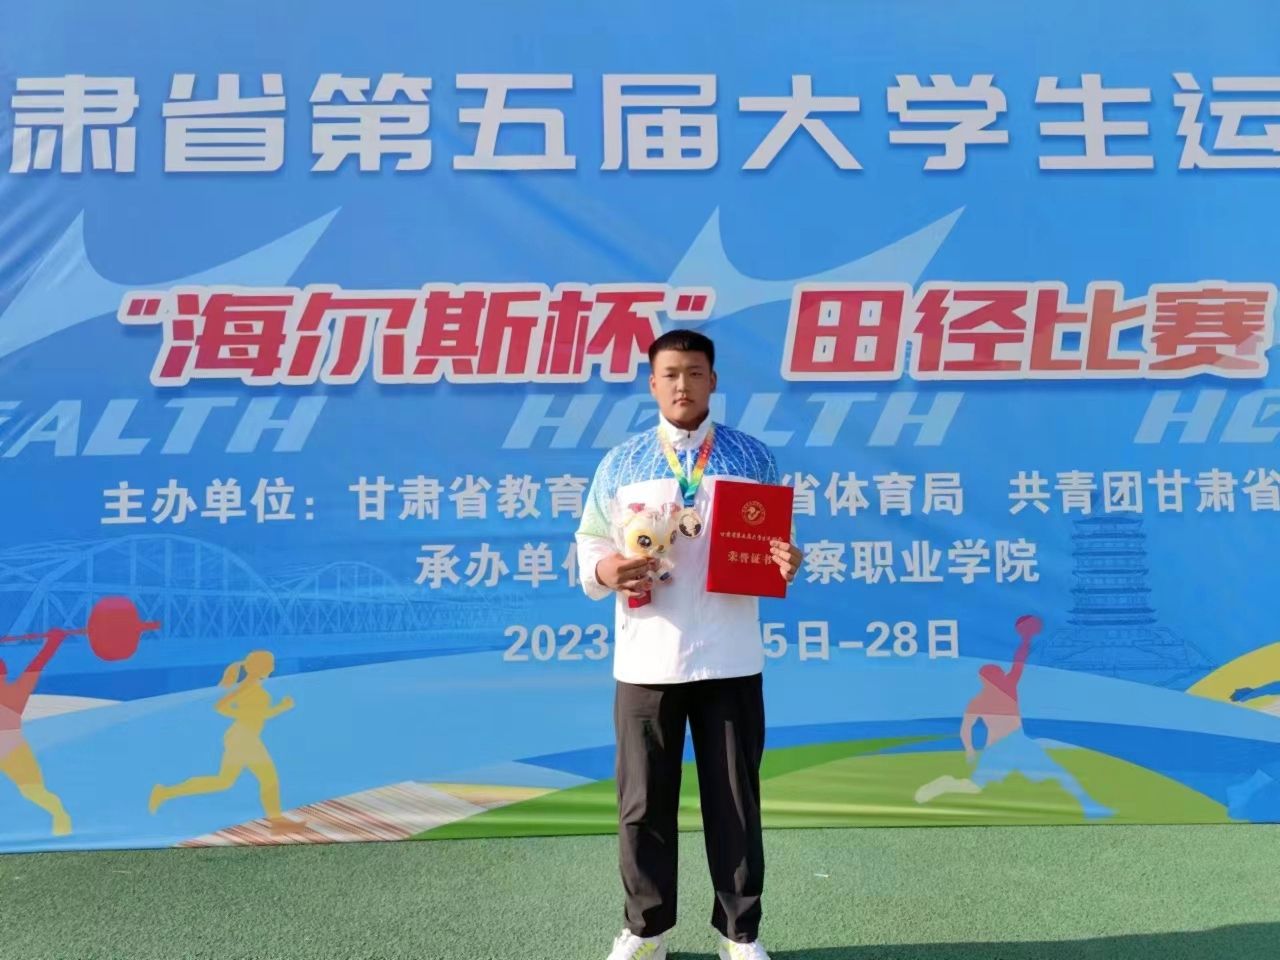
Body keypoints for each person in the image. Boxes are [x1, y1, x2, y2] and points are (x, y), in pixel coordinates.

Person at [576, 330, 803, 960]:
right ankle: (646, 930)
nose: (683, 384)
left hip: (730, 655)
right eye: (671, 373)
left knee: (735, 802)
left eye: (695, 372)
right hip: (647, 657)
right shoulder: (621, 463)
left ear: (713, 381)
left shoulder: (751, 457)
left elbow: (775, 542)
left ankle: (740, 933)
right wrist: (606, 570)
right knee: (642, 803)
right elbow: (591, 541)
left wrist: (786, 560)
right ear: (653, 383)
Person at [914, 615, 1112, 819]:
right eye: (995, 675)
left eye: (1000, 674)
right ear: (985, 679)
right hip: (997, 749)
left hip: (1020, 741)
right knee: (975, 787)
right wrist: (970, 749)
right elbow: (966, 728)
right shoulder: (979, 702)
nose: (1000, 676)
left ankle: (1089, 807)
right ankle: (946, 783)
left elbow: (1019, 661)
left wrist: (1026, 640)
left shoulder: (1008, 686)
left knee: (1059, 773)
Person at [150, 650, 297, 830]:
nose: (273, 668)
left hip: (243, 737)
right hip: (244, 737)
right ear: (261, 666)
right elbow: (220, 706)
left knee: (224, 781)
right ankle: (277, 822)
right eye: (270, 664)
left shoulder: (253, 685)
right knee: (268, 778)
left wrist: (280, 708)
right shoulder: (248, 684)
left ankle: (164, 792)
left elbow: (259, 714)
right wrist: (254, 712)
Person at [0, 629, 72, 835]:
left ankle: (60, 816)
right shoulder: (17, 690)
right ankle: (59, 814)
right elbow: (38, 662)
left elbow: (38, 663)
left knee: (33, 790)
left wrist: (53, 643)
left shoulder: (17, 691)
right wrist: (53, 642)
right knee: (33, 791)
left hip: (13, 751)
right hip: (14, 749)